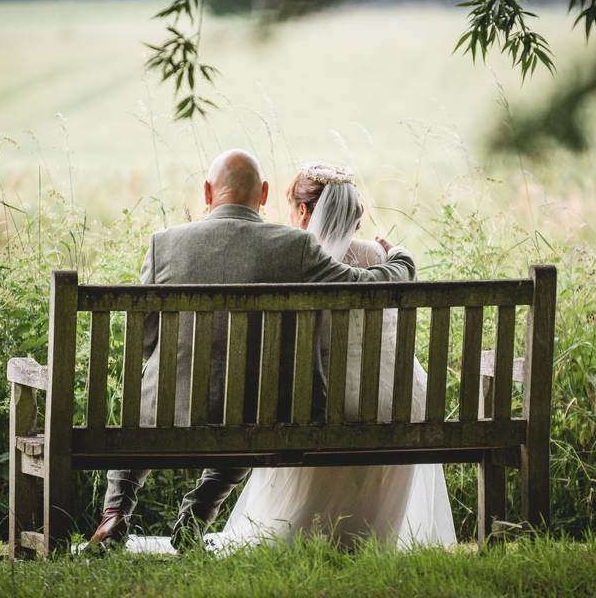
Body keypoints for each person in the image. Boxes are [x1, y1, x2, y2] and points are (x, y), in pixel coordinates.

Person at [87, 150, 416, 553]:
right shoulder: (294, 248)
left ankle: (115, 512)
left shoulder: (163, 245)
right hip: (259, 413)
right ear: (262, 194)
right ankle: (197, 514)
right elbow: (369, 287)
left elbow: (146, 340)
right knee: (246, 404)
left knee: (144, 405)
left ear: (207, 192)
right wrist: (400, 258)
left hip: (169, 409)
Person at [203, 163, 456, 552]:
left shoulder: (299, 257)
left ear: (304, 212)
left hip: (321, 400)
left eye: (292, 209)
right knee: (376, 399)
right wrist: (399, 254)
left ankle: (312, 537)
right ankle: (370, 539)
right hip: (396, 400)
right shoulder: (376, 255)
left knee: (306, 396)